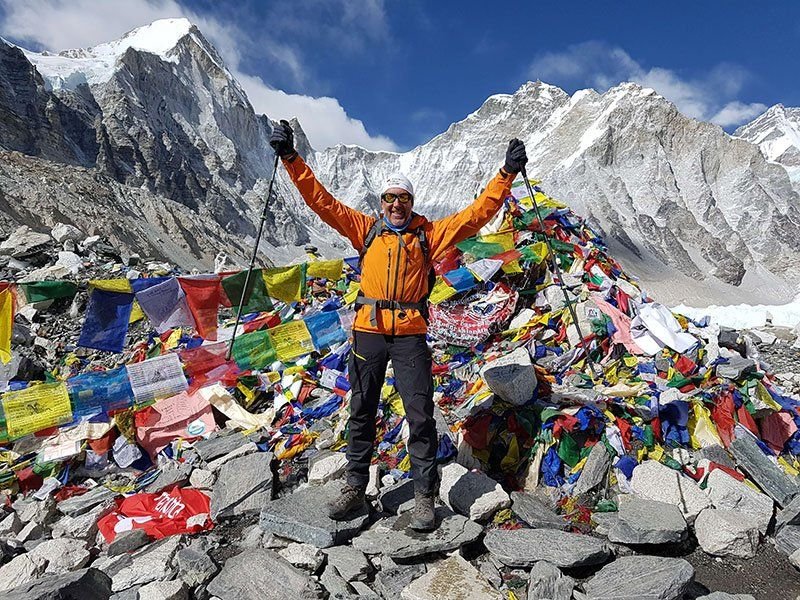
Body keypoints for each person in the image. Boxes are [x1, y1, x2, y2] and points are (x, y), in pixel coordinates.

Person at [269, 120, 527, 531]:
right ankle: (355, 486)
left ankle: (424, 496)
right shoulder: (365, 230)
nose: (396, 205)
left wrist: (507, 173)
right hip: (368, 332)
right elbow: (321, 201)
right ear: (382, 202)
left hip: (409, 334)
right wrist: (290, 157)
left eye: (403, 199)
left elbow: (477, 214)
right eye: (390, 198)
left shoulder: (429, 234)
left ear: (411, 202)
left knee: (420, 414)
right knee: (361, 409)